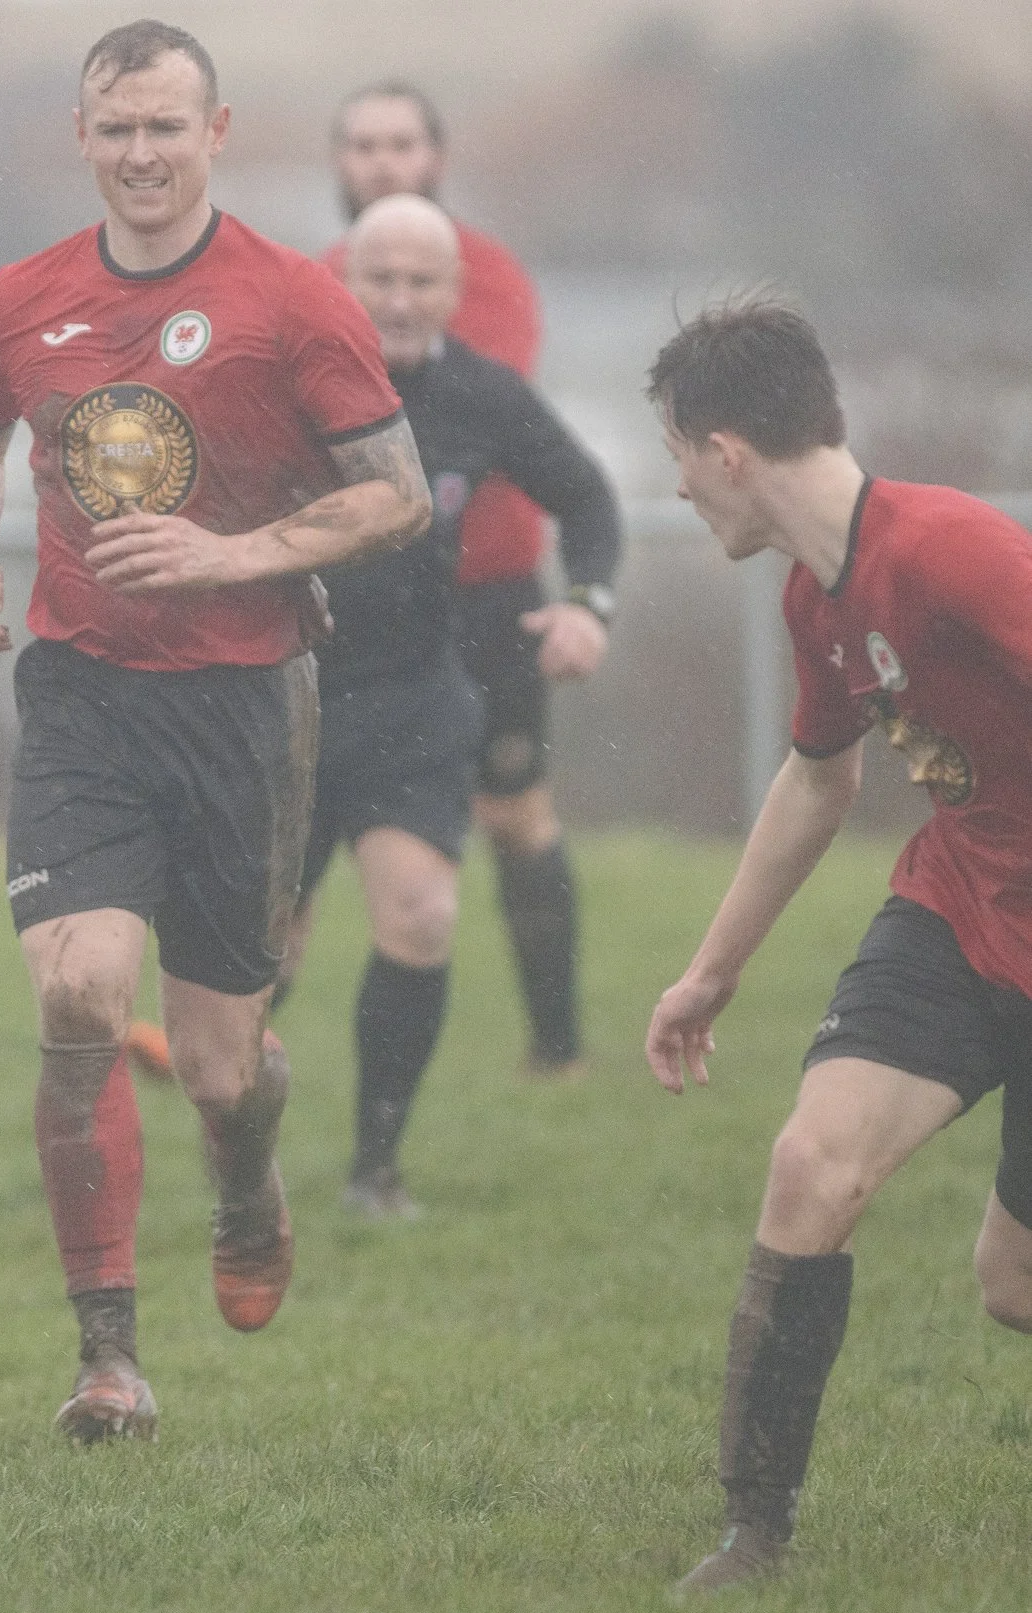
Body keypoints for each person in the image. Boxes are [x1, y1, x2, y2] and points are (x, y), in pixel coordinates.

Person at [0, 20, 431, 1444]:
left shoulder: (290, 301)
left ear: (218, 133)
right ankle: (108, 1360)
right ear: (80, 140)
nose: (140, 154)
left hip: (242, 707)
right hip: (83, 694)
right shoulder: (17, 301)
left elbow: (397, 495)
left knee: (221, 1066)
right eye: (116, 130)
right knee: (81, 994)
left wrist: (234, 555)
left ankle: (248, 1183)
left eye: (166, 128)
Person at [643, 300, 1032, 1590]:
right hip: (957, 914)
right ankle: (755, 1534)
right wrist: (711, 968)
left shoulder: (951, 548)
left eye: (678, 455)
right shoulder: (819, 598)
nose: (676, 485)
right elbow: (818, 782)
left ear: (728, 451)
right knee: (811, 1164)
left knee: (1010, 1283)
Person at [283, 196, 620, 1219]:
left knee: (422, 912)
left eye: (419, 279)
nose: (395, 296)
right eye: (376, 275)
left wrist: (586, 604)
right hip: (278, 696)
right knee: (252, 975)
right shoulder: (278, 387)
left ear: (454, 292)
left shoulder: (483, 395)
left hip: (412, 698)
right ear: (338, 278)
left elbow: (590, 498)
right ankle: (237, 1165)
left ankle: (372, 1171)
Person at [329, 80, 610, 1078]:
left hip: (487, 593)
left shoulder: (483, 280)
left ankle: (557, 1049)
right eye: (362, 145)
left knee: (515, 810)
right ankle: (229, 1044)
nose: (382, 162)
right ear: (339, 162)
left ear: (435, 157)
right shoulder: (314, 280)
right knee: (293, 823)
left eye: (401, 143)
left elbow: (467, 418)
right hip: (357, 611)